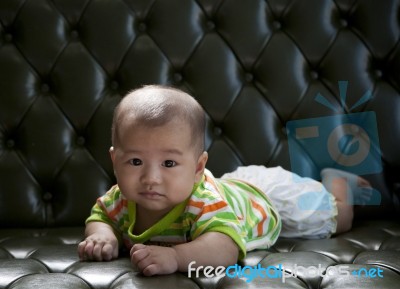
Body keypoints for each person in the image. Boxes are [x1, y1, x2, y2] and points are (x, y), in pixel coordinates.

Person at [78, 85, 376, 276]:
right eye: (135, 162)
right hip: (231, 189)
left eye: (169, 163)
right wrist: (103, 234)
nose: (150, 178)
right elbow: (100, 214)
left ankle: (336, 182)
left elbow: (225, 249)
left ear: (197, 168)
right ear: (115, 161)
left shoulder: (203, 203)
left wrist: (176, 258)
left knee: (341, 218)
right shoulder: (122, 198)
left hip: (266, 198)